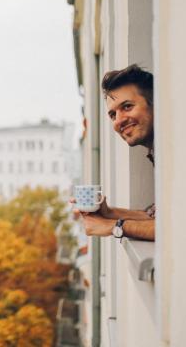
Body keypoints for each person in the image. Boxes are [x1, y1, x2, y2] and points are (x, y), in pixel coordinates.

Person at [73, 64, 155, 241]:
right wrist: (108, 212)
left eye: (127, 107)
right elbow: (158, 218)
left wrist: (113, 226)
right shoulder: (158, 151)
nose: (119, 121)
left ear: (154, 104)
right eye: (112, 114)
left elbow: (177, 224)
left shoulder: (178, 151)